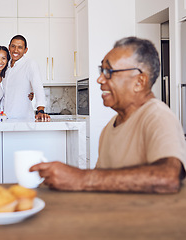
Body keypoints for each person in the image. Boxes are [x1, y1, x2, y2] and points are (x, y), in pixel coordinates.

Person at [30, 36, 186, 193]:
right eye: (101, 70)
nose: (99, 79)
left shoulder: (157, 116)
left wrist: (81, 178)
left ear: (139, 82)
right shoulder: (110, 127)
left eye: (109, 72)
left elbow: (168, 178)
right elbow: (101, 184)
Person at [0, 35, 50, 121]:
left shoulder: (30, 64)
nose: (16, 50)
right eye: (13, 46)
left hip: (24, 118)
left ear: (25, 50)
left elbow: (38, 88)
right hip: (5, 118)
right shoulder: (5, 67)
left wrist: (41, 110)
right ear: (9, 47)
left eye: (20, 47)